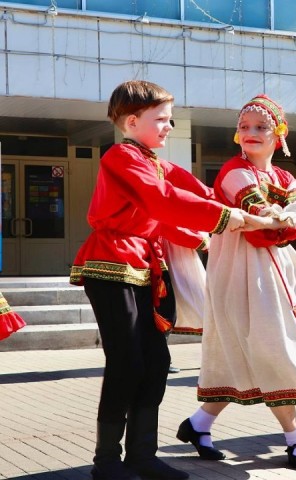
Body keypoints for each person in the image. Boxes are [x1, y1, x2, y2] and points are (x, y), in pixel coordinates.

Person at [176, 94, 296, 471]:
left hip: (275, 267)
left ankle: (199, 424)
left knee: (250, 351)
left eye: (260, 127)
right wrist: (273, 221)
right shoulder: (233, 171)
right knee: (272, 346)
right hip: (239, 270)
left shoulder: (285, 177)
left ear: (279, 134)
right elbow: (259, 218)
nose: (250, 133)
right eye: (244, 127)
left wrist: (274, 222)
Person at [70, 80, 247, 480]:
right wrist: (226, 220)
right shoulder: (122, 155)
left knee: (155, 362)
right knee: (127, 362)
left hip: (146, 266)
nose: (169, 126)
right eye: (162, 120)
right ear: (133, 121)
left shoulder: (156, 163)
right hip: (110, 265)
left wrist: (250, 202)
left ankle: (141, 456)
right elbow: (162, 202)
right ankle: (106, 462)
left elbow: (200, 192)